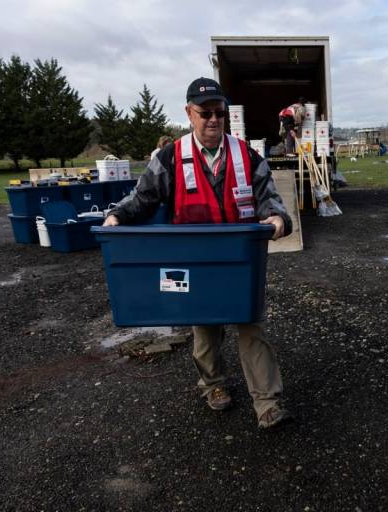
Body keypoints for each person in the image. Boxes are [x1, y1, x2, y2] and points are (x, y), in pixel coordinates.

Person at [103, 77, 294, 429]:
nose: (213, 119)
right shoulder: (169, 158)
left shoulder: (247, 156)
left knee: (252, 328)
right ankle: (213, 385)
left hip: (239, 261)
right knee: (205, 332)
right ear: (189, 113)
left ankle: (267, 402)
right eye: (205, 113)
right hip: (193, 261)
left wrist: (277, 218)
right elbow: (143, 197)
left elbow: (270, 197)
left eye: (219, 112)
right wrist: (116, 216)